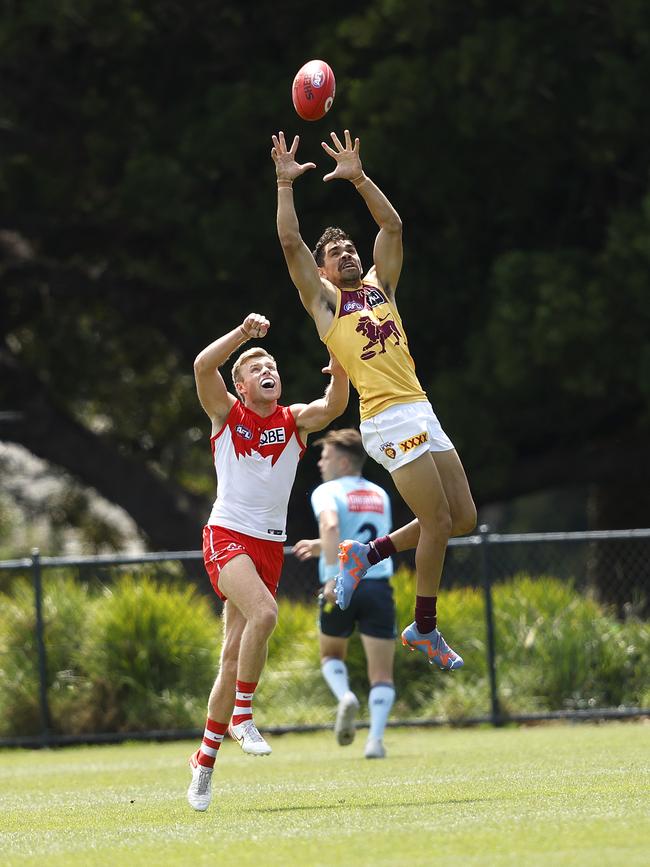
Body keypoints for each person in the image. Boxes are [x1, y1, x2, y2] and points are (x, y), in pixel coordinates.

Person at [271, 129, 477, 673]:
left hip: (421, 408)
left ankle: (368, 554)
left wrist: (359, 177)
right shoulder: (325, 304)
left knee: (463, 519)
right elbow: (291, 244)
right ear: (321, 271)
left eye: (349, 249)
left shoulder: (380, 287)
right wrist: (285, 184)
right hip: (386, 419)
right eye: (336, 252)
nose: (347, 254)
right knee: (434, 521)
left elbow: (393, 225)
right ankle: (425, 628)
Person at [187, 311, 348, 812]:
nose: (267, 370)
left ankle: (203, 764)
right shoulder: (227, 415)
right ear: (240, 383)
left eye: (271, 364)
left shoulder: (293, 420)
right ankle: (243, 714)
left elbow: (336, 405)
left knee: (232, 657)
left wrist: (339, 366)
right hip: (227, 535)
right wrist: (243, 336)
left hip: (267, 546)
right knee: (266, 614)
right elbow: (200, 366)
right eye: (257, 367)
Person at [293, 428, 396, 759]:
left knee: (331, 655)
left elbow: (333, 528)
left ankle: (345, 697)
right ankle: (375, 741)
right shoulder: (380, 494)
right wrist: (321, 545)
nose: (320, 464)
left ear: (340, 460)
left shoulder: (327, 491)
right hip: (378, 585)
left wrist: (333, 576)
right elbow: (365, 540)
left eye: (324, 457)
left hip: (342, 585)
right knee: (381, 673)